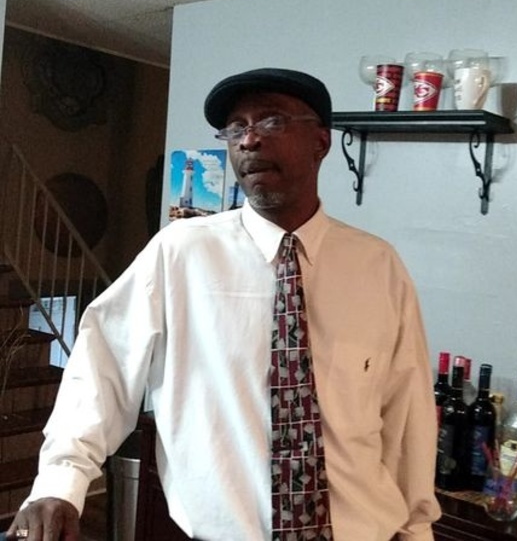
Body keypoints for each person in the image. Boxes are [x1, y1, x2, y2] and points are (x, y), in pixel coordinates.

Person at [7, 68, 441, 540]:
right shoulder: (180, 253)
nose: (249, 139)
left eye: (272, 120)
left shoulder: (378, 267)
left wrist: (417, 530)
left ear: (321, 141)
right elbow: (102, 367)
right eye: (236, 128)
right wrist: (61, 482)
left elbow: (407, 414)